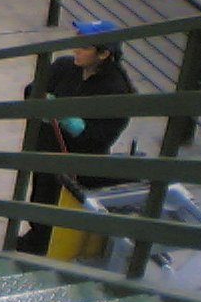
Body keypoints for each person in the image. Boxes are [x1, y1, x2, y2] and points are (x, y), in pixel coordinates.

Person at [16, 19, 136, 255]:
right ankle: (37, 239)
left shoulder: (117, 90)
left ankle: (53, 245)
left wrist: (75, 126)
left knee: (63, 204)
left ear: (103, 54)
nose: (76, 50)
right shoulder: (63, 67)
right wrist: (40, 101)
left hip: (78, 161)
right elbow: (32, 89)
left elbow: (101, 136)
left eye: (84, 46)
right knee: (40, 195)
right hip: (46, 149)